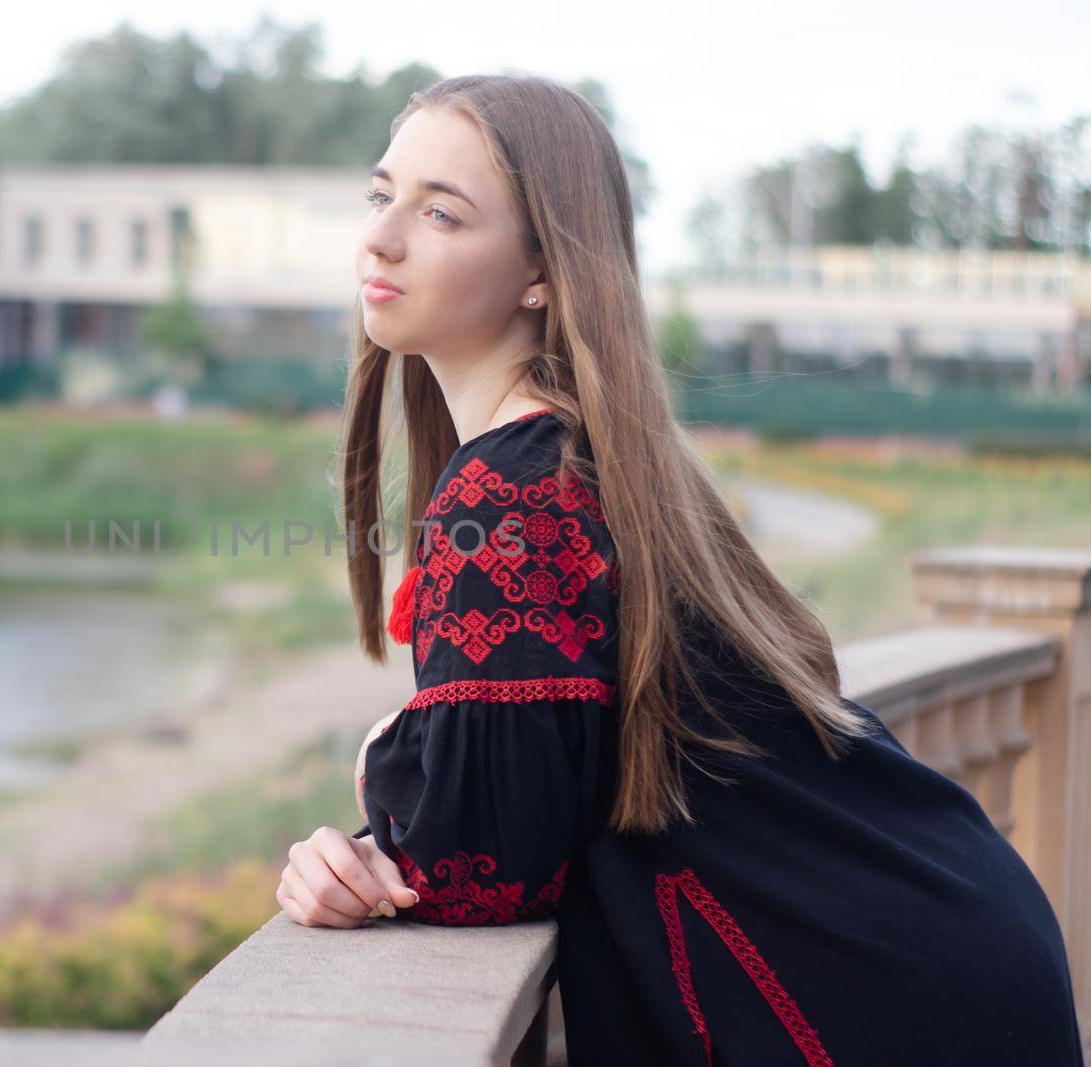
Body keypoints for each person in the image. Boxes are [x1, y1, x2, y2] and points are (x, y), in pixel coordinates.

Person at [275, 74, 1085, 1065]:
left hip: (852, 997)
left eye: (440, 212)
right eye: (380, 194)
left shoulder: (514, 490)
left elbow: (479, 864)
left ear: (541, 270)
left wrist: (376, 766)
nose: (382, 237)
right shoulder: (595, 456)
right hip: (948, 934)